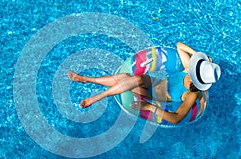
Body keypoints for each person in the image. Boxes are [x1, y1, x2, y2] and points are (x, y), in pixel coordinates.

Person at [67, 42, 221, 124]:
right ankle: (86, 80)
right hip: (153, 81)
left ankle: (92, 89)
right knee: (133, 77)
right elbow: (179, 45)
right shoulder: (188, 69)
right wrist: (200, 57)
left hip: (151, 95)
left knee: (131, 78)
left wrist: (150, 107)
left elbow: (176, 118)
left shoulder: (191, 95)